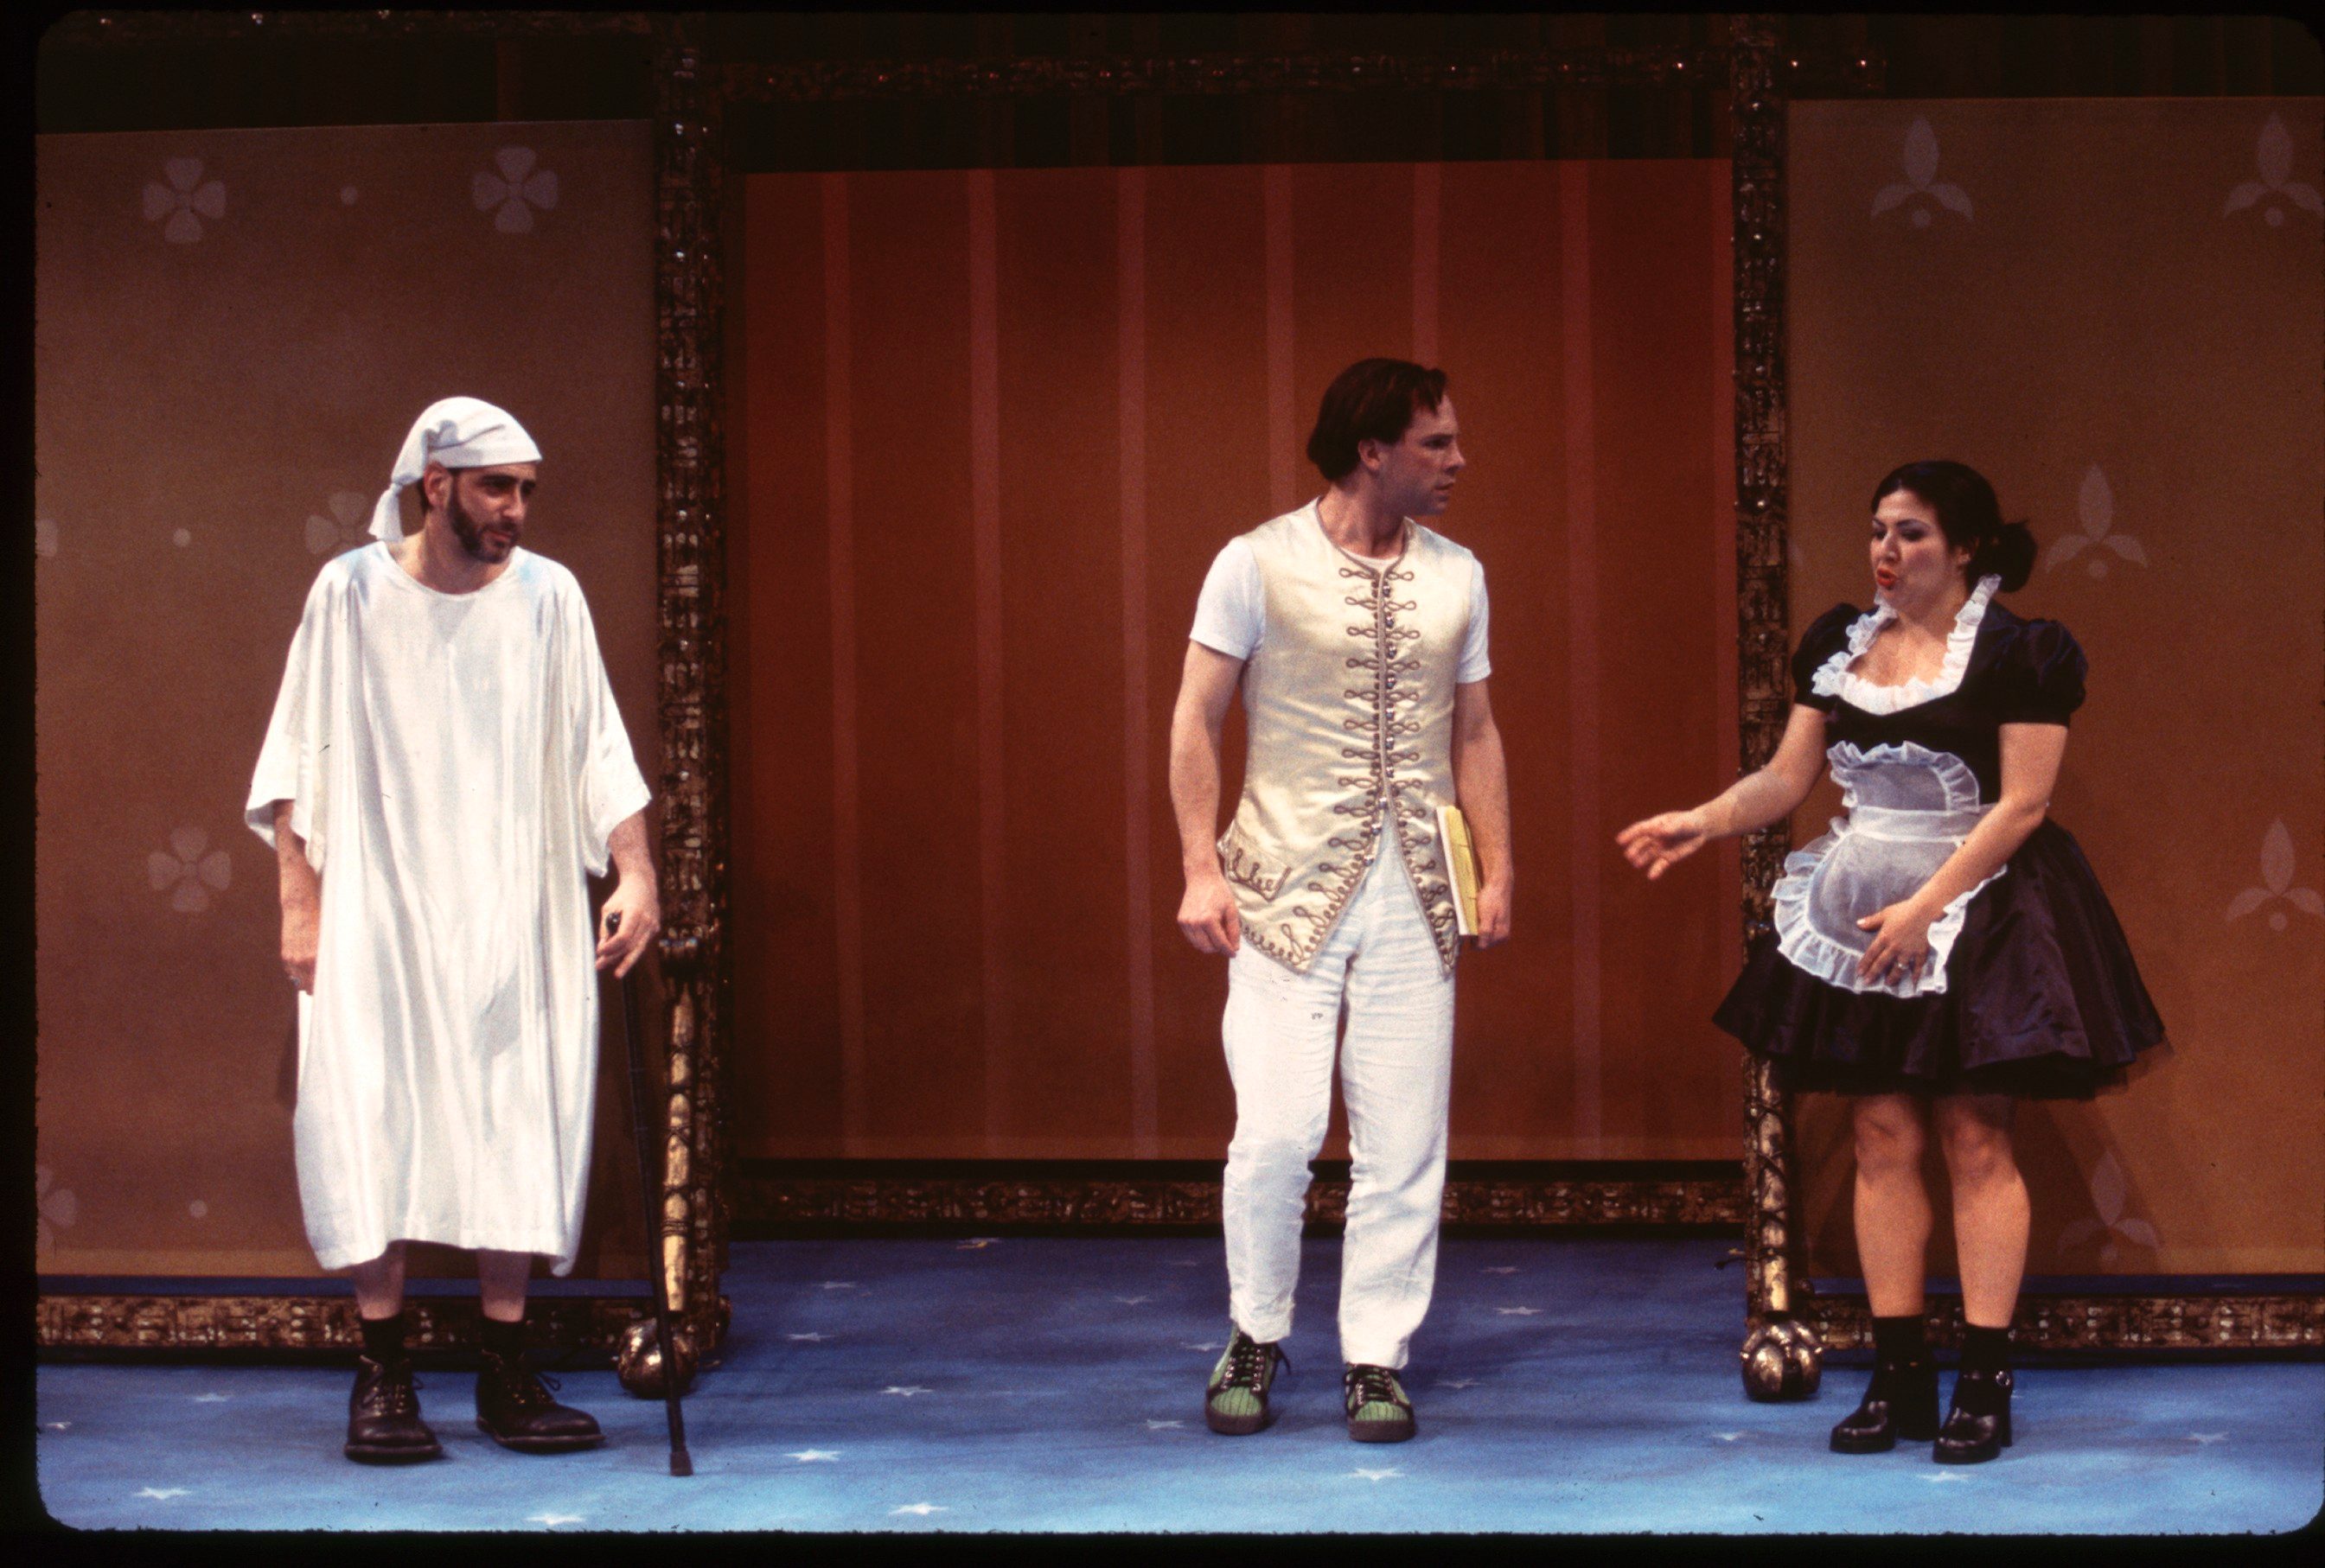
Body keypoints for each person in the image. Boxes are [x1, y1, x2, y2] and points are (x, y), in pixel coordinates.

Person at [1617, 460, 2164, 1463]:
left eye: (1910, 532)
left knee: (1974, 1137)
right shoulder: (1840, 643)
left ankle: (1985, 1378)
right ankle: (1899, 1371)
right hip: (1865, 908)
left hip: (1980, 911)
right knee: (1879, 1136)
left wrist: (1927, 904)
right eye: (1878, 529)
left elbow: (2023, 804)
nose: (1885, 549)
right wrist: (1703, 818)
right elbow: (1786, 777)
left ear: (1964, 547)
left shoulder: (2020, 651)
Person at [247, 397, 659, 1463]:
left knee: (515, 1113)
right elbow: (296, 759)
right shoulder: (348, 593)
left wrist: (635, 869)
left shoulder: (549, 597)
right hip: (378, 902)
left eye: (525, 490)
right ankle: (382, 1370)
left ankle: (504, 1369)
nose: (515, 508)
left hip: (513, 905)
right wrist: (300, 904)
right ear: (436, 485)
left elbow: (598, 746)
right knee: (369, 1114)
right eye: (495, 487)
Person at [1169, 359, 1512, 1444]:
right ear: (1372, 449)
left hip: (1416, 889)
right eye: (1435, 443)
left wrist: (1497, 866)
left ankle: (1375, 1354)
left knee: (1405, 1140)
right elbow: (1195, 717)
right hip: (1281, 887)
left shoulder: (1459, 575)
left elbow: (1474, 729)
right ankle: (1255, 1329)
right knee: (1275, 1135)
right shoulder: (1254, 562)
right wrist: (1199, 867)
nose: (1457, 461)